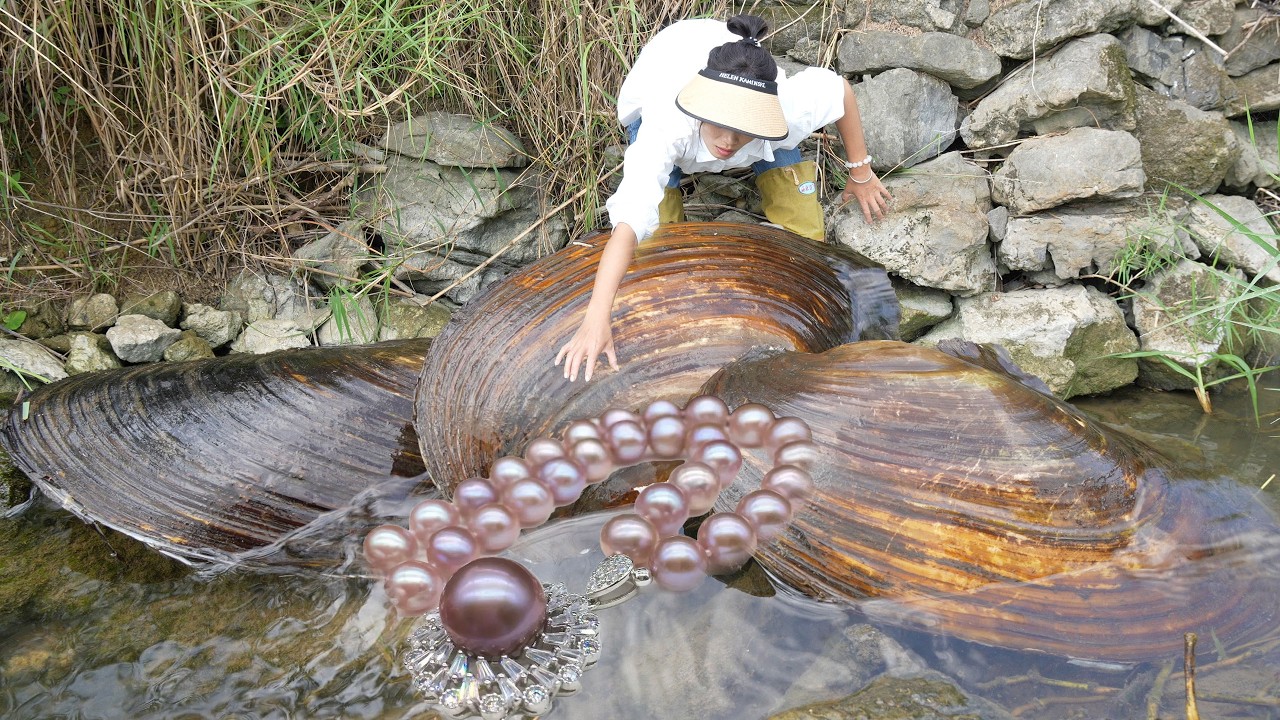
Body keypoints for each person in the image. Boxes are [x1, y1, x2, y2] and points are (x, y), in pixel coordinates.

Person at [555, 14, 891, 382]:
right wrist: (595, 318)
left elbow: (839, 91)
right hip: (666, 76)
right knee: (658, 245)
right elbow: (628, 226)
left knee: (804, 226)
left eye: (744, 131)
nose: (729, 142)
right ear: (702, 108)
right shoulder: (665, 126)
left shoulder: (786, 111)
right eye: (721, 126)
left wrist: (861, 173)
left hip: (748, 91)